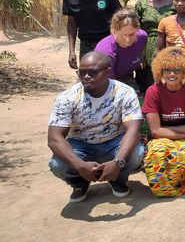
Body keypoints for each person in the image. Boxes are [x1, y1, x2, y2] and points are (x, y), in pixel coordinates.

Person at [47, 52, 145, 203]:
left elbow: (133, 130)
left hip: (114, 141)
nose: (86, 76)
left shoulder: (124, 92)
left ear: (107, 71)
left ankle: (117, 178)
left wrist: (117, 162)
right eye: (82, 72)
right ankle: (79, 183)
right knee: (57, 164)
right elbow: (54, 139)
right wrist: (79, 165)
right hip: (80, 144)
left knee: (138, 152)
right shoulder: (67, 97)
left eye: (92, 72)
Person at [141, 47, 185, 197]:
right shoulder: (153, 91)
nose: (171, 74)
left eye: (177, 70)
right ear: (160, 71)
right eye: (167, 70)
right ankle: (169, 186)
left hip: (184, 138)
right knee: (155, 153)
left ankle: (184, 176)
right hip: (168, 138)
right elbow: (156, 132)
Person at [63, 0, 122, 68]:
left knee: (109, 75)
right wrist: (71, 51)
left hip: (107, 43)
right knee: (88, 78)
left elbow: (119, 17)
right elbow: (71, 23)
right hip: (86, 46)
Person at [134, 0, 176, 87]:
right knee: (146, 85)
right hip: (145, 49)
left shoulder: (175, 3)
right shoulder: (141, 4)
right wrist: (138, 54)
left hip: (169, 47)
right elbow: (136, 31)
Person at [94, 9, 148, 87]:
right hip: (104, 83)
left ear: (137, 30)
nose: (128, 39)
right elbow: (108, 84)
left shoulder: (142, 38)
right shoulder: (106, 52)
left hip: (128, 78)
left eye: (132, 34)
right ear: (114, 31)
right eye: (123, 35)